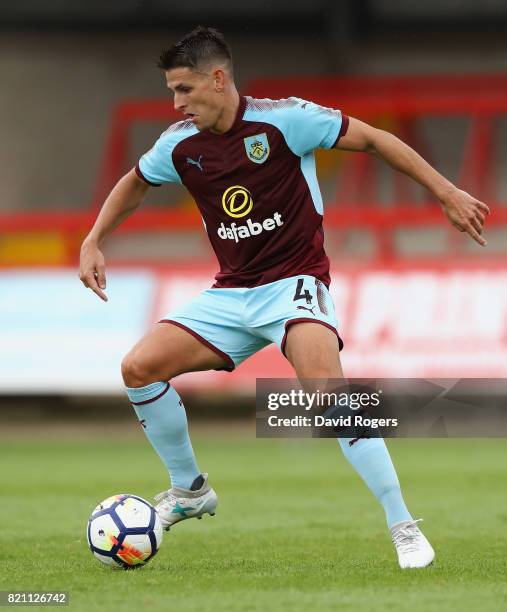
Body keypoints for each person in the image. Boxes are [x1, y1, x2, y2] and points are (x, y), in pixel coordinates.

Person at [79, 26, 489, 569]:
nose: (176, 103)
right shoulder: (179, 143)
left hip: (295, 284)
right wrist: (93, 239)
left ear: (218, 79)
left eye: (184, 89)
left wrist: (447, 191)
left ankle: (403, 525)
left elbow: (373, 138)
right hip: (232, 293)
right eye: (172, 91)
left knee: (332, 397)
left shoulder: (285, 120)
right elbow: (135, 180)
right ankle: (189, 489)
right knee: (139, 367)